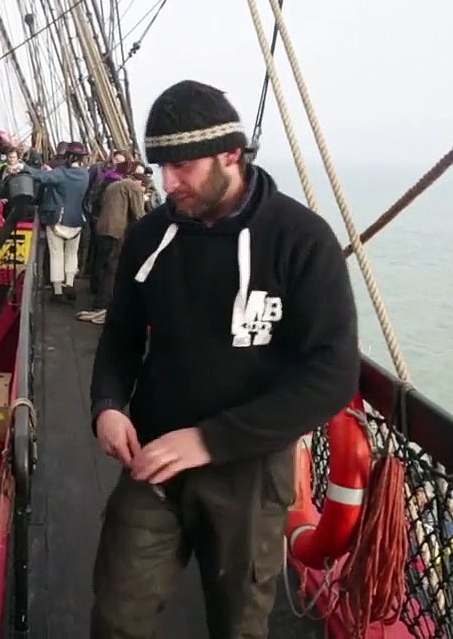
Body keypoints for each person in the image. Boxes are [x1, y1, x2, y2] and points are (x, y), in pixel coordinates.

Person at [88, 80, 360, 638]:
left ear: (231, 154)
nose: (167, 183)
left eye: (182, 166)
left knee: (238, 625)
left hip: (249, 471)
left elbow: (333, 375)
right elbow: (119, 333)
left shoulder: (301, 240)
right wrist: (109, 405)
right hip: (154, 460)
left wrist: (210, 439)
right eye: (160, 166)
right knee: (116, 617)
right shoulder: (151, 234)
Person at [76, 161, 145, 324]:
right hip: (115, 231)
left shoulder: (115, 184)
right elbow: (139, 214)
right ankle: (103, 303)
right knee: (113, 269)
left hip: (102, 227)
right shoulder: (133, 187)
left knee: (100, 263)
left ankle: (97, 293)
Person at [32, 150, 90, 302]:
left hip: (58, 220)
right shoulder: (85, 174)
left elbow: (40, 177)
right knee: (72, 253)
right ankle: (69, 284)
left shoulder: (61, 173)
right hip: (77, 220)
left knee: (56, 255)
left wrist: (22, 167)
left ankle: (57, 291)